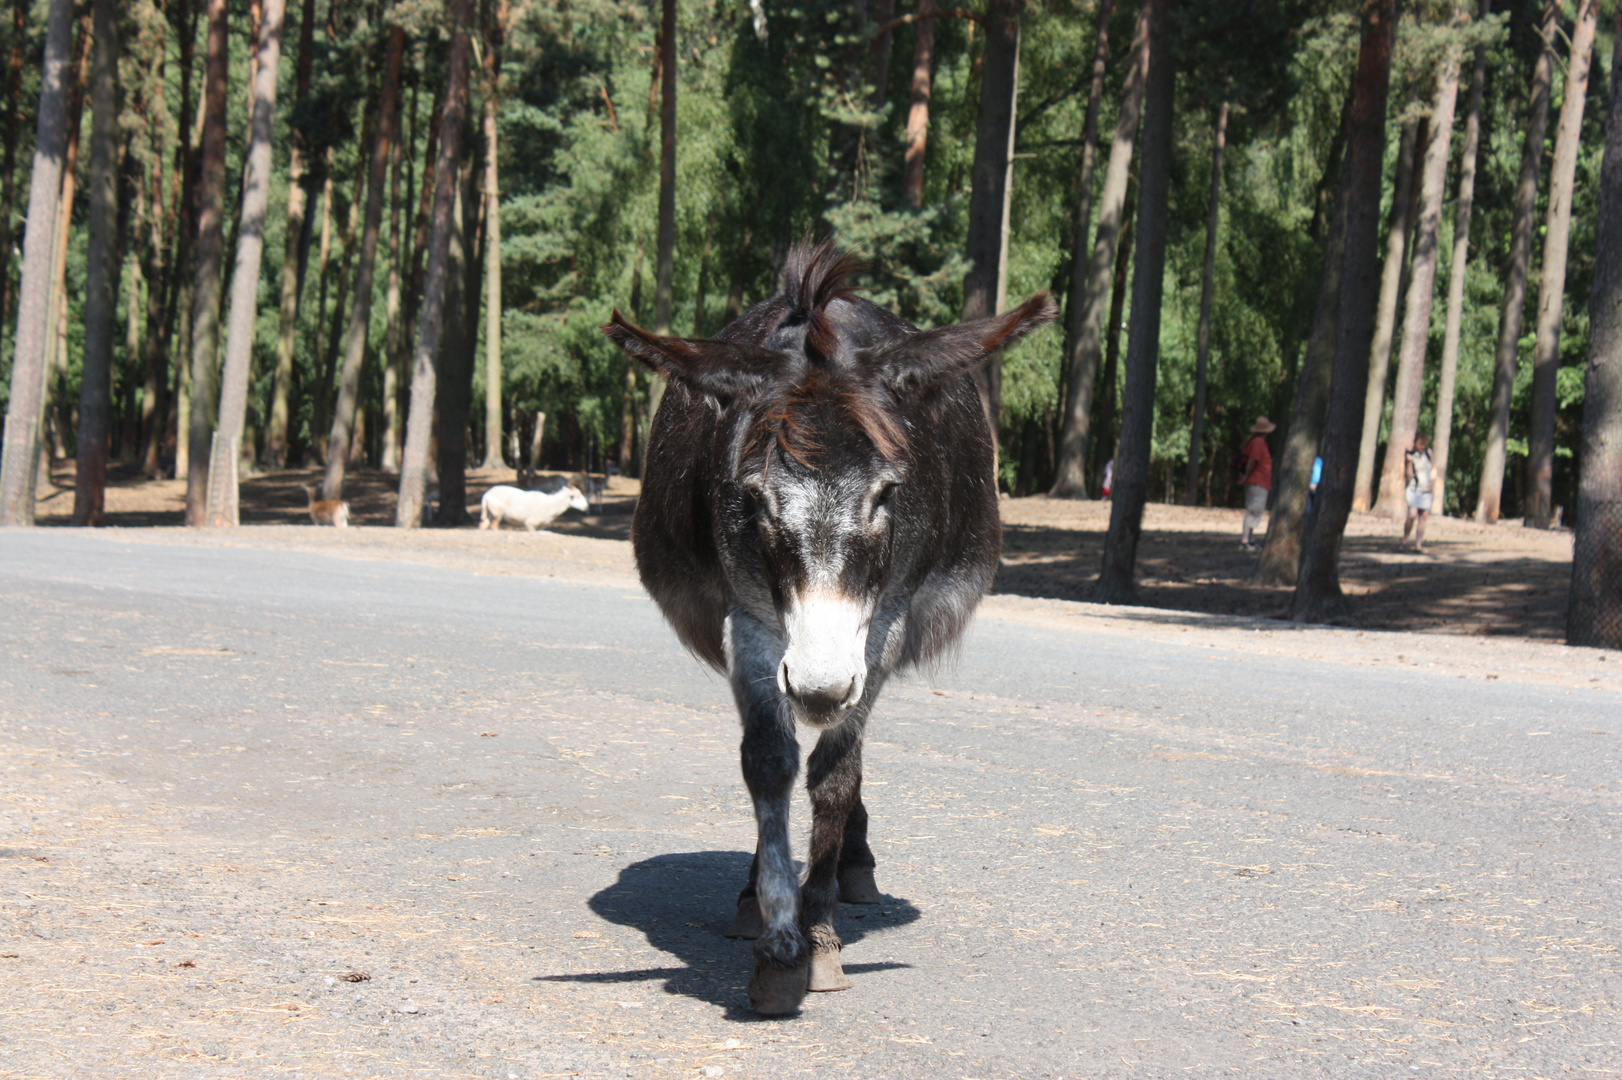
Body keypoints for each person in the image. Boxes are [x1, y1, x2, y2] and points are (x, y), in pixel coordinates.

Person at [1237, 417, 1275, 551]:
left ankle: (1250, 540)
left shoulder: (1253, 441)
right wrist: (1246, 475)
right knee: (1254, 510)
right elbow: (1253, 460)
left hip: (1257, 481)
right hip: (1257, 481)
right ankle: (1245, 540)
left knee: (1255, 510)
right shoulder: (1258, 442)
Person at [1403, 433, 1436, 554]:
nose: (1423, 446)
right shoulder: (1410, 456)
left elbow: (1433, 469)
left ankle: (1418, 545)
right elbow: (1408, 476)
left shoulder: (1428, 454)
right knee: (1412, 515)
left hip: (1426, 491)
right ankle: (1405, 539)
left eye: (1424, 444)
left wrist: (1432, 482)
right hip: (1414, 490)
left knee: (1423, 517)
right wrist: (1409, 463)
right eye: (1421, 444)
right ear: (1415, 443)